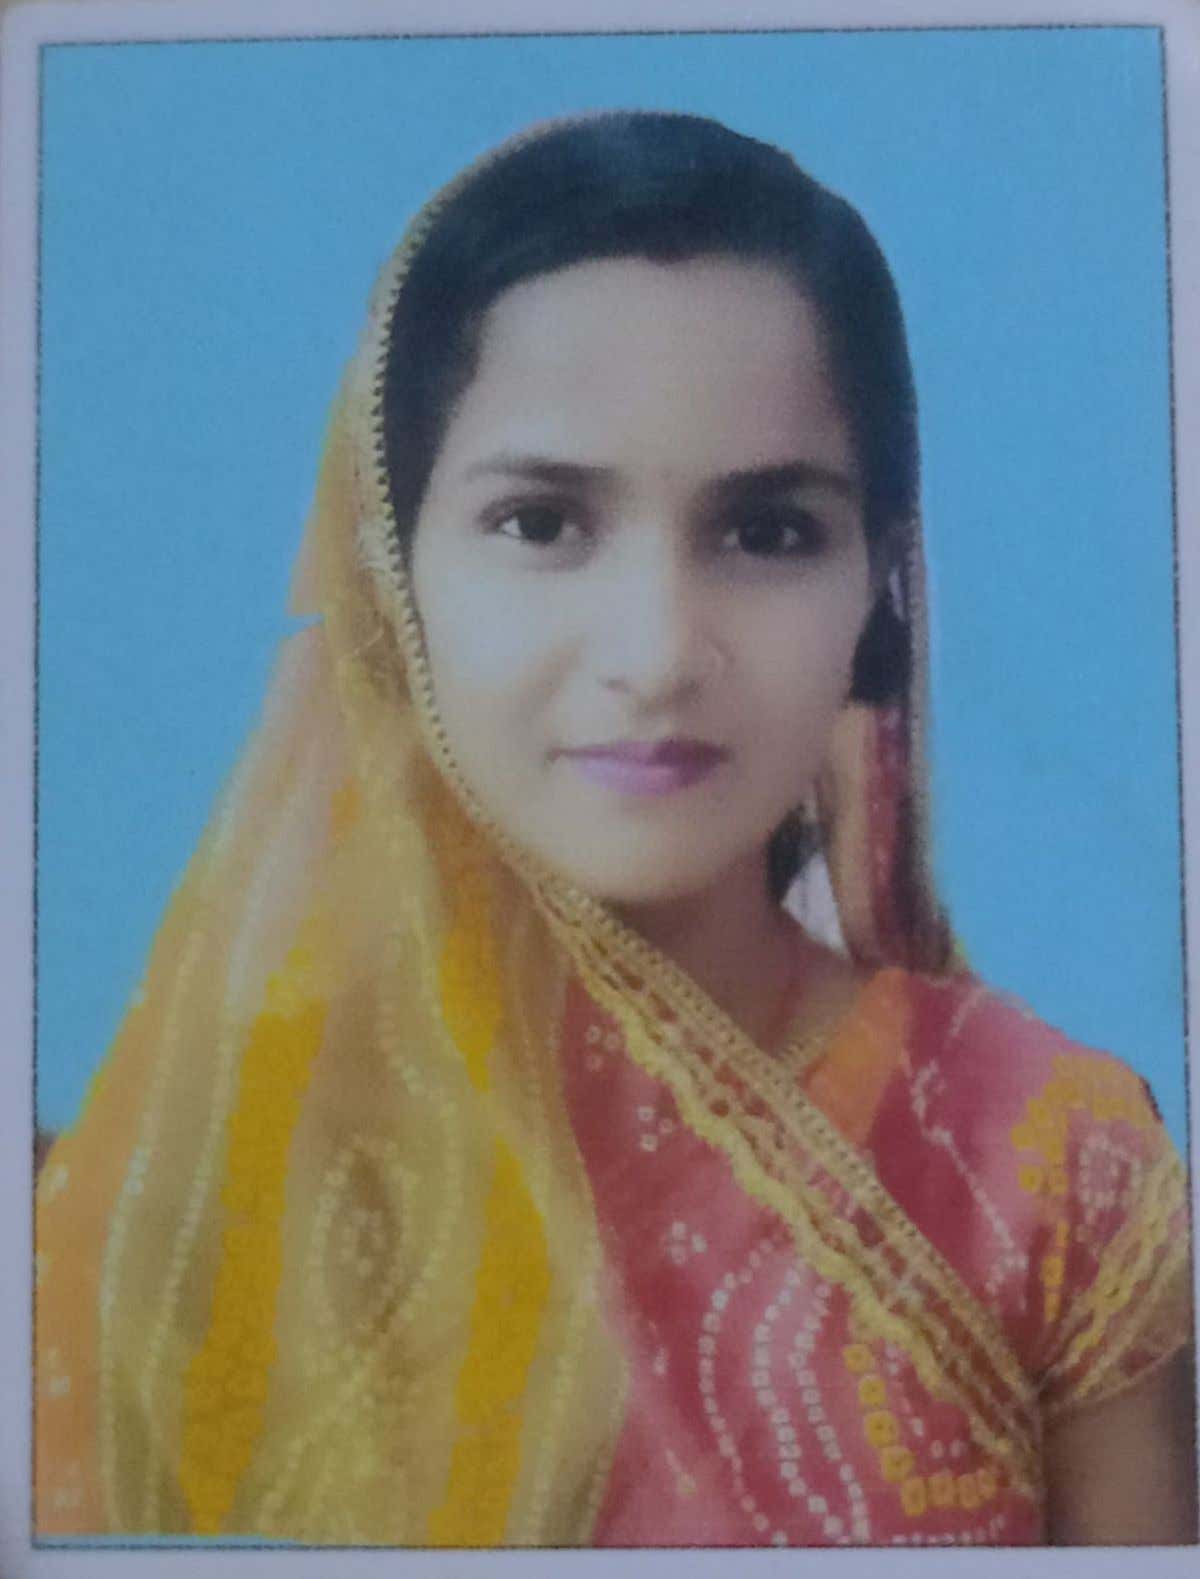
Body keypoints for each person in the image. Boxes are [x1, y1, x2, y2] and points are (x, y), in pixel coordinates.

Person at [35, 111, 1195, 1548]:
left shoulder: (1044, 1158)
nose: (654, 653)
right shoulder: (185, 1186)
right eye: (540, 524)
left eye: (768, 532)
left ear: (880, 588)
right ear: (391, 574)